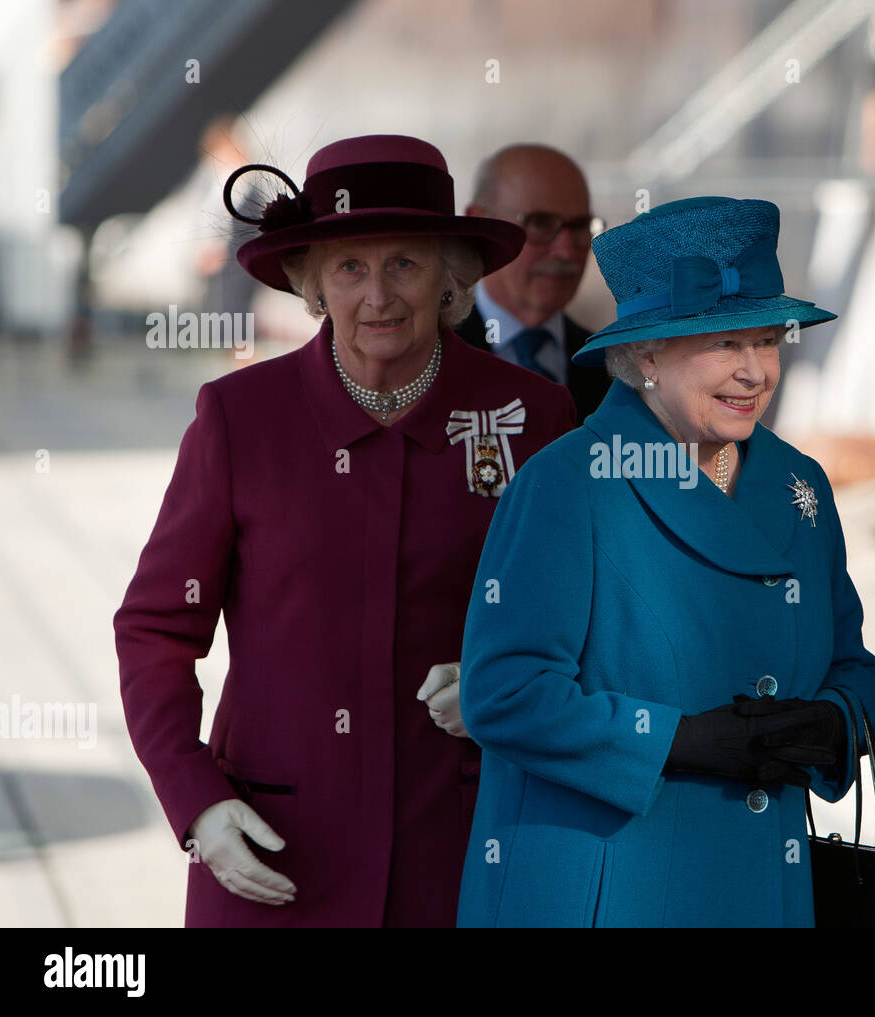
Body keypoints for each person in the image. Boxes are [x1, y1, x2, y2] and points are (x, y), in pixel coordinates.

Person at [114, 135, 576, 927]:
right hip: (271, 857)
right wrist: (196, 801)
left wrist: (509, 680)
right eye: (350, 267)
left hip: (465, 854)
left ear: (452, 278)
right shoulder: (239, 419)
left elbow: (584, 617)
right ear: (314, 285)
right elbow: (156, 628)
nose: (377, 295)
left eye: (405, 263)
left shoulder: (533, 415)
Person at [454, 196, 875, 927]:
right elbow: (503, 691)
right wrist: (678, 741)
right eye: (723, 343)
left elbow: (853, 663)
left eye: (766, 342)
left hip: (760, 884)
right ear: (646, 355)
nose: (753, 371)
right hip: (613, 887)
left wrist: (835, 722)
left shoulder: (798, 484)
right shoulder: (567, 483)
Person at [458, 144, 611, 423]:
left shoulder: (614, 368)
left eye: (579, 226)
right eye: (539, 224)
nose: (566, 251)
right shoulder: (422, 361)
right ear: (480, 225)